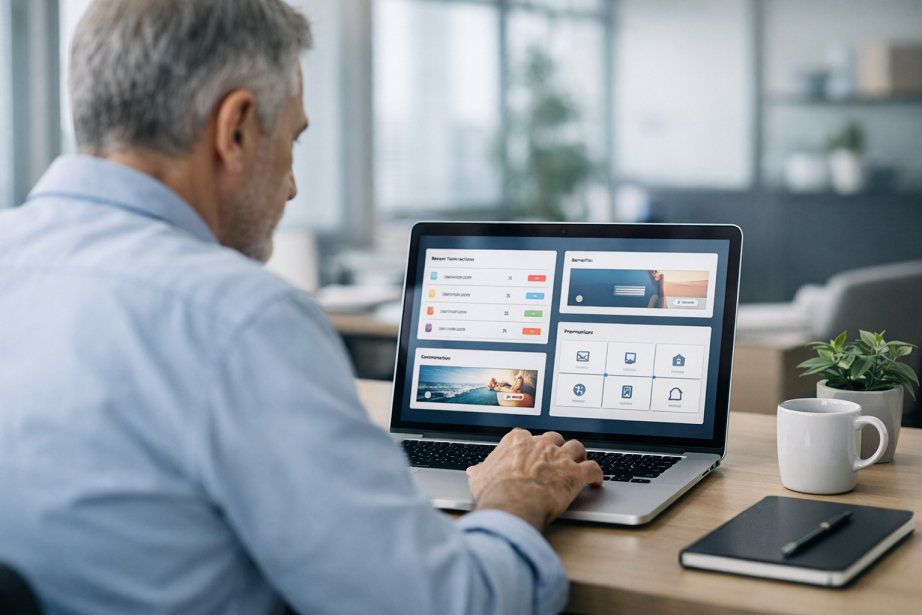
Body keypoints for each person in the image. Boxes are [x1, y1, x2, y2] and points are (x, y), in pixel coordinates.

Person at [0, 1, 602, 614]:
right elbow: (451, 605)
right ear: (234, 129)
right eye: (292, 138)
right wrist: (513, 497)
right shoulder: (238, 319)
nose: (292, 185)